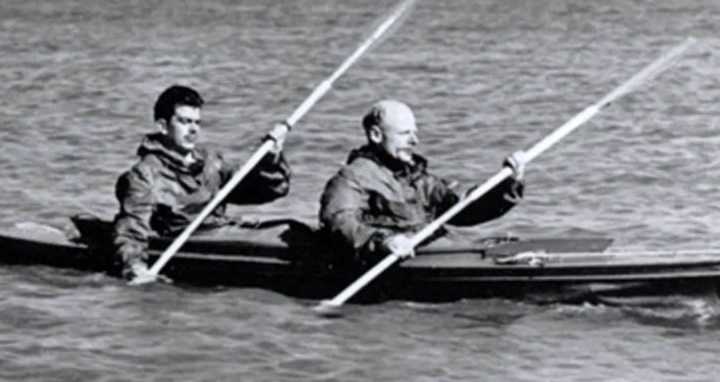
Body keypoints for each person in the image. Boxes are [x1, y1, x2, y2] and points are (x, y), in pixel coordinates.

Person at [112, 85, 291, 282]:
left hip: (226, 231)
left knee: (293, 229)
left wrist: (271, 160)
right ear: (163, 126)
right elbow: (131, 231)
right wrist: (136, 268)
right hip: (193, 240)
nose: (193, 129)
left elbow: (267, 190)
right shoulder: (144, 175)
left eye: (197, 122)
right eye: (184, 122)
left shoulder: (211, 162)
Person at [318, 99, 526, 263]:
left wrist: (508, 184)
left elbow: (463, 208)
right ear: (376, 135)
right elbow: (339, 222)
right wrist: (384, 241)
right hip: (394, 259)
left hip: (435, 251)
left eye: (415, 133)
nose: (414, 141)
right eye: (404, 133)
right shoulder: (352, 177)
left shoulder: (419, 179)